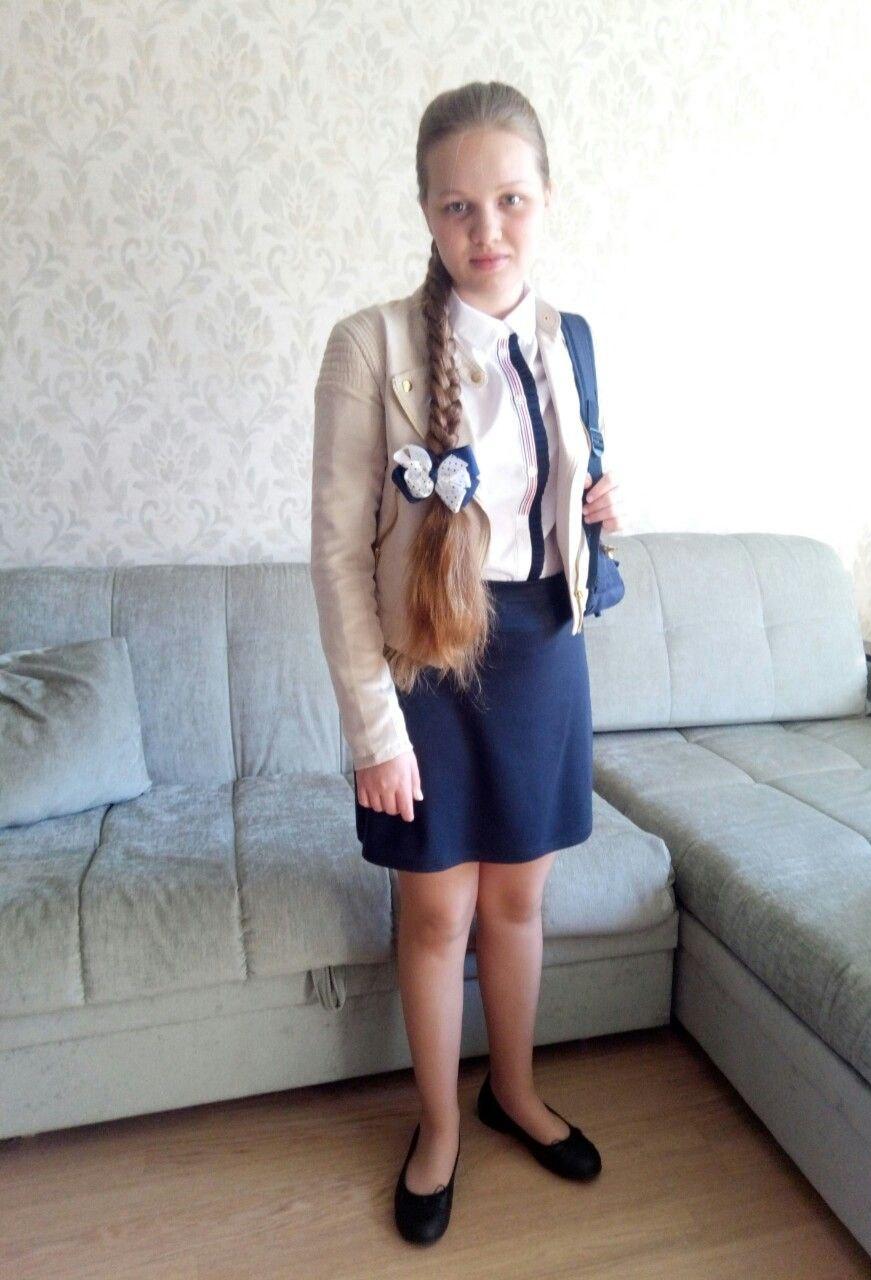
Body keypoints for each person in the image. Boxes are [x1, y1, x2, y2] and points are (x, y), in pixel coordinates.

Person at [310, 80, 630, 1246]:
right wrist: (374, 731)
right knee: (437, 908)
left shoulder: (570, 339)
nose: (487, 229)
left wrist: (603, 509)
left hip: (543, 648)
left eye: (510, 200)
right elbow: (338, 556)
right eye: (458, 206)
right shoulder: (370, 345)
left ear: (545, 198)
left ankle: (516, 1090)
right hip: (425, 662)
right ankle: (440, 1122)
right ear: (427, 214)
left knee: (518, 897)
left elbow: (574, 492)